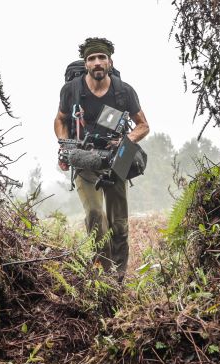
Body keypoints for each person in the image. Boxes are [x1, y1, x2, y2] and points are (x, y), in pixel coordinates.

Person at [54, 37, 149, 279]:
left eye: (101, 58)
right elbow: (60, 119)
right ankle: (104, 273)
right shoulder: (71, 91)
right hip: (84, 159)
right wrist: (65, 146)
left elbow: (143, 126)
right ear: (86, 64)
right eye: (91, 59)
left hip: (117, 159)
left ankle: (118, 277)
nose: (97, 63)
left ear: (109, 62)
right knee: (95, 214)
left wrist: (125, 141)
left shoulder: (123, 91)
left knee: (119, 223)